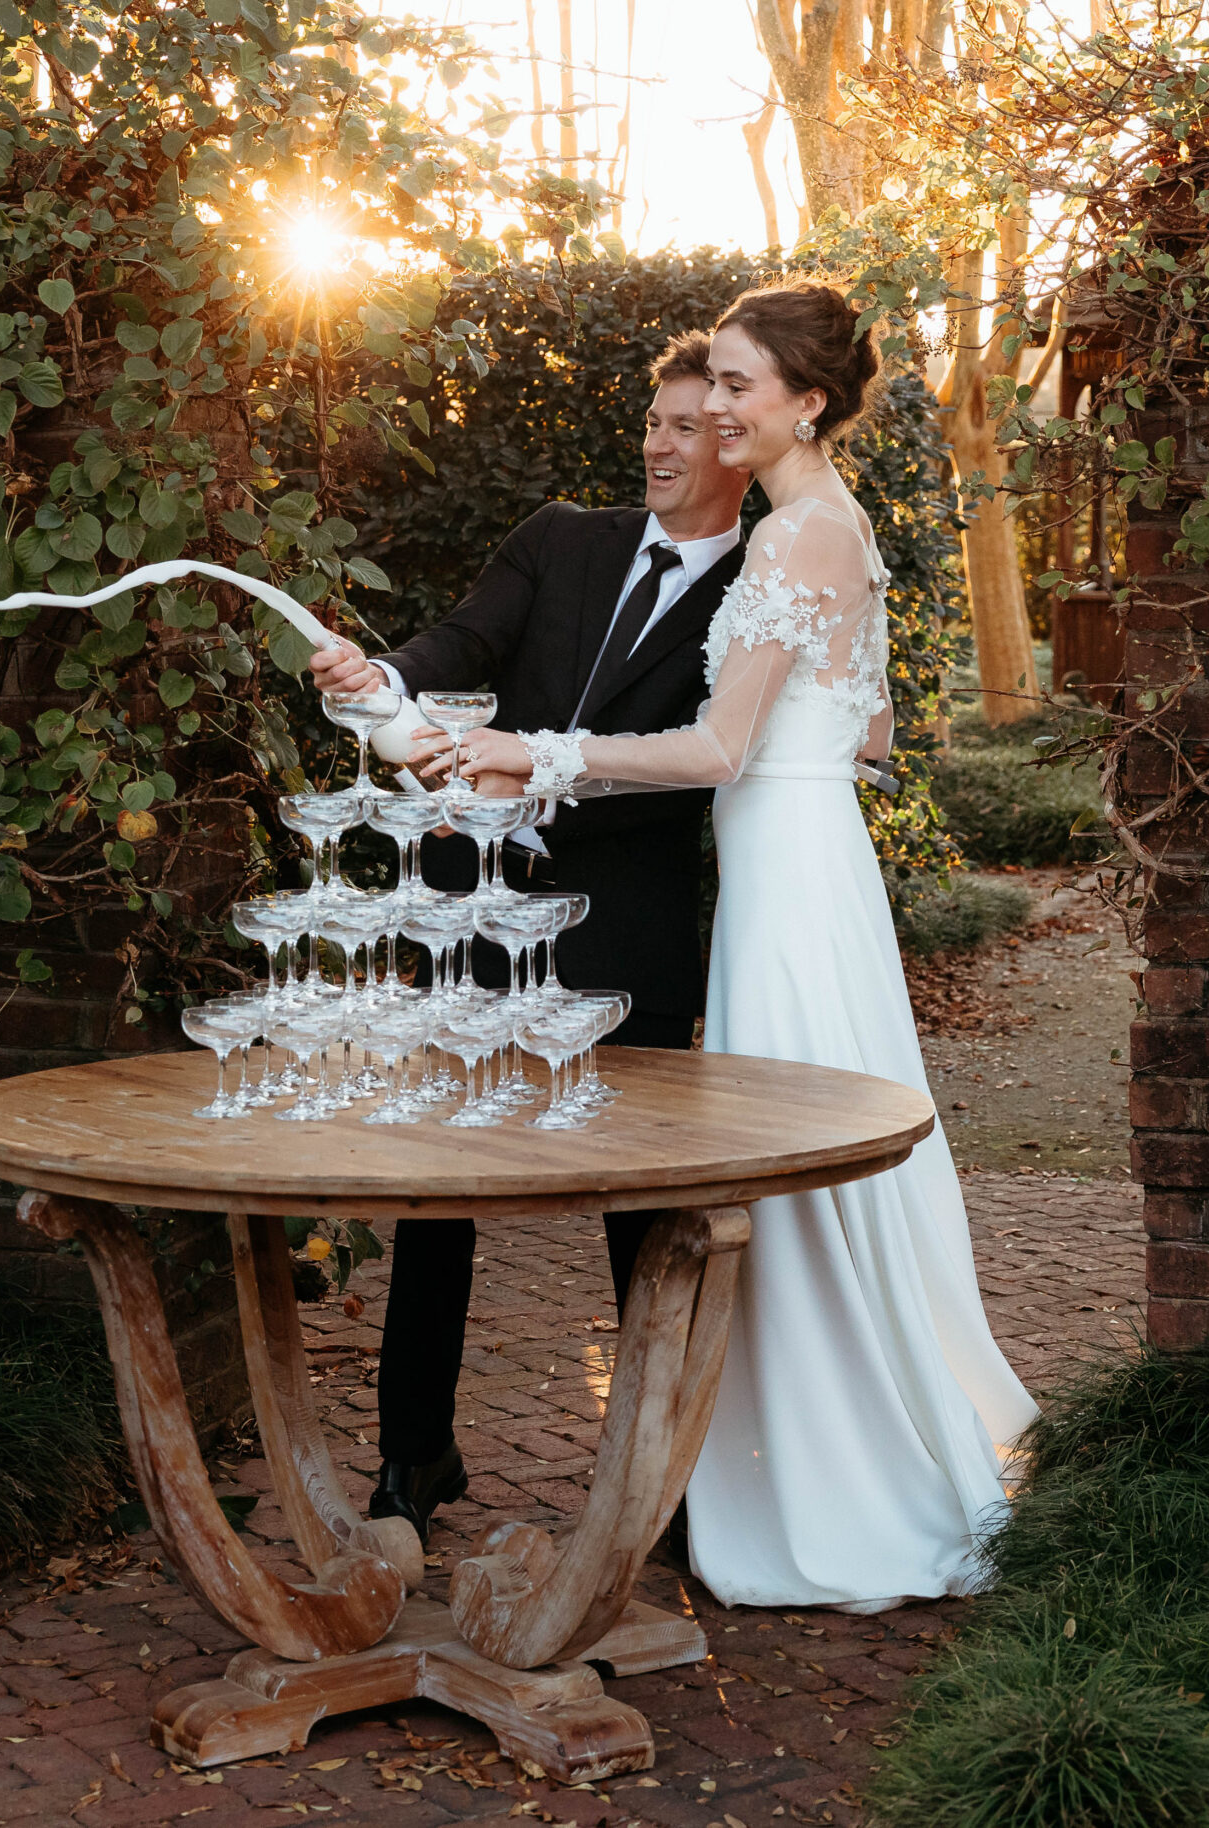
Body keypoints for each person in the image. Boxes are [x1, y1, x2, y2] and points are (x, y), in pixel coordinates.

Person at [443, 281, 1039, 1613]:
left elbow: (718, 748)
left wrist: (532, 752)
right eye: (706, 381)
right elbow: (874, 730)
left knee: (792, 1170)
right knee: (803, 1162)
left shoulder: (788, 543)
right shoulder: (830, 524)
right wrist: (809, 768)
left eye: (737, 386)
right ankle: (790, 1456)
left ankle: (836, 1479)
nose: (713, 407)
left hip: (787, 886)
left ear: (807, 402)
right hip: (802, 866)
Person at [306, 331, 750, 1544]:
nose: (658, 444)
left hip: (630, 928)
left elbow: (715, 761)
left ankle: (662, 1486)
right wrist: (376, 677)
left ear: (740, 440)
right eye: (652, 421)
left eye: (685, 426)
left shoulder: (764, 583)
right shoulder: (559, 536)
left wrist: (541, 774)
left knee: (641, 1213)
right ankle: (412, 1460)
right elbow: (456, 647)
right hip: (468, 906)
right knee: (435, 1188)